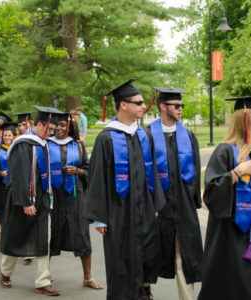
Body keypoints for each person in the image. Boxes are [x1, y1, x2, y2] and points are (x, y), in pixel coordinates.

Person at [84, 79, 165, 300]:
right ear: (123, 105)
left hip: (144, 209)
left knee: (146, 251)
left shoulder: (143, 135)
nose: (143, 106)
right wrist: (100, 217)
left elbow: (153, 171)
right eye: (138, 102)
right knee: (121, 258)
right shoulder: (106, 138)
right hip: (118, 211)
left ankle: (143, 291)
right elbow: (98, 177)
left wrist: (154, 203)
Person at [198, 95, 251, 300]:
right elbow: (210, 193)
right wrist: (235, 174)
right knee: (240, 288)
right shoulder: (226, 151)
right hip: (235, 240)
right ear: (242, 120)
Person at [146, 87, 203, 300]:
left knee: (185, 255)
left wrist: (193, 200)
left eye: (181, 106)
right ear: (162, 106)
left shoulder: (187, 135)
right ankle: (144, 290)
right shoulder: (148, 135)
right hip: (157, 206)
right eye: (176, 106)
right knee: (151, 251)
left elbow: (196, 170)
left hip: (183, 207)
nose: (180, 109)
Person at [0, 106, 61, 296]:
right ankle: (5, 272)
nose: (51, 133)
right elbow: (18, 176)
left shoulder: (41, 143)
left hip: (41, 198)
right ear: (39, 124)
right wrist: (25, 202)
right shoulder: (22, 144)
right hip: (22, 199)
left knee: (43, 238)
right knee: (17, 236)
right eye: (49, 129)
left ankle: (42, 281)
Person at [48, 112, 103, 290]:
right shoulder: (46, 145)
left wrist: (78, 172)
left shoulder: (78, 145)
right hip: (53, 197)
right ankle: (44, 273)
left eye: (62, 125)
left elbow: (89, 170)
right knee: (50, 233)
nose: (59, 128)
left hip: (76, 196)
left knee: (81, 234)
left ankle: (87, 276)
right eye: (56, 125)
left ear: (69, 126)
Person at [0, 122, 18, 227]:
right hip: (2, 188)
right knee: (4, 215)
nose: (7, 137)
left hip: (16, 187)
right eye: (5, 135)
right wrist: (1, 173)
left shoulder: (18, 149)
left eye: (9, 135)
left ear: (14, 136)